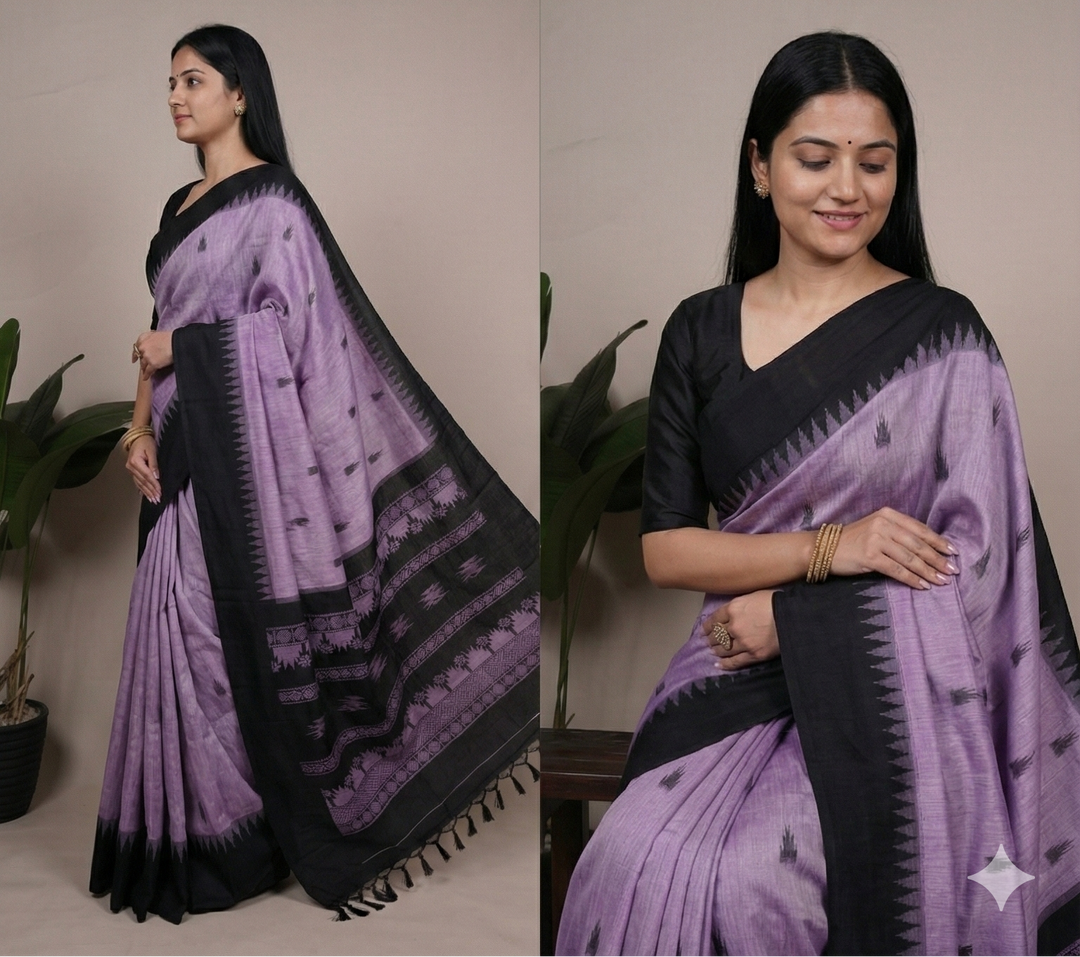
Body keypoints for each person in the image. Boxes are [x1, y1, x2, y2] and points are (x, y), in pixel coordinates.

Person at [556, 31, 1080, 956]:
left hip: (900, 692)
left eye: (874, 162)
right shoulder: (701, 331)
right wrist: (831, 549)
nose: (847, 187)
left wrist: (793, 620)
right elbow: (668, 548)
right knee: (631, 853)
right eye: (814, 157)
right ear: (760, 167)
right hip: (730, 672)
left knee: (770, 880)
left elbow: (986, 575)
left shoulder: (943, 335)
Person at [89, 24, 539, 924]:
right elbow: (159, 321)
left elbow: (296, 337)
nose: (176, 97)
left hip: (244, 468)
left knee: (219, 648)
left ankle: (243, 844)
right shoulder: (180, 205)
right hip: (183, 449)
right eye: (169, 83)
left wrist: (183, 347)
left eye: (194, 79)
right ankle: (185, 837)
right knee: (180, 642)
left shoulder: (278, 207)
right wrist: (137, 426)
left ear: (240, 92)